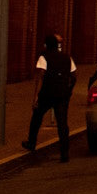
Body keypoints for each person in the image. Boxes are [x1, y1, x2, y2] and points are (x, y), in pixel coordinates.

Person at [22, 32, 77, 162]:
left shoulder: (43, 57)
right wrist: (69, 90)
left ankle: (31, 142)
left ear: (46, 45)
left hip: (47, 93)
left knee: (37, 117)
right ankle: (64, 153)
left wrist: (36, 96)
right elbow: (74, 75)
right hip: (62, 94)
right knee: (62, 123)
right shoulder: (66, 57)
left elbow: (40, 76)